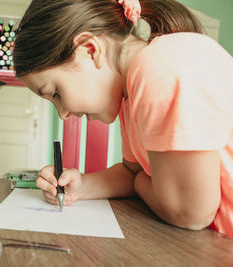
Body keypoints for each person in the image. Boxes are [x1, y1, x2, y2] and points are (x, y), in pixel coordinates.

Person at [13, 0, 233, 237]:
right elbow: (132, 171)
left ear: (90, 49)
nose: (63, 114)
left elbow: (190, 214)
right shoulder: (131, 91)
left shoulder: (158, 71)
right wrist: (81, 185)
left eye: (56, 93)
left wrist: (141, 184)